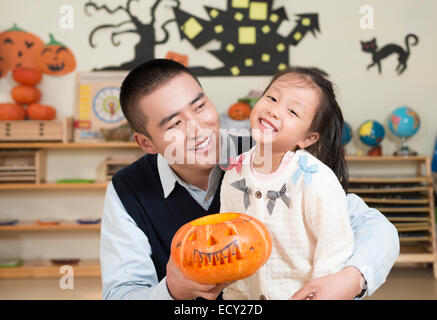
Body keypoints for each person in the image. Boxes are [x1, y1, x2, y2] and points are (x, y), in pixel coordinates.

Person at [100, 59, 400, 300]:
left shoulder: (267, 153)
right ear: (146, 143)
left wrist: (352, 278)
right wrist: (171, 292)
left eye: (200, 106)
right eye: (175, 123)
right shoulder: (129, 189)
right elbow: (120, 293)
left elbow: (371, 225)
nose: (197, 129)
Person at [220, 66, 354, 300]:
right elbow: (228, 235)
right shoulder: (235, 170)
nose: (274, 110)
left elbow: (335, 248)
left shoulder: (316, 180)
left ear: (307, 138)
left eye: (292, 111)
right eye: (271, 98)